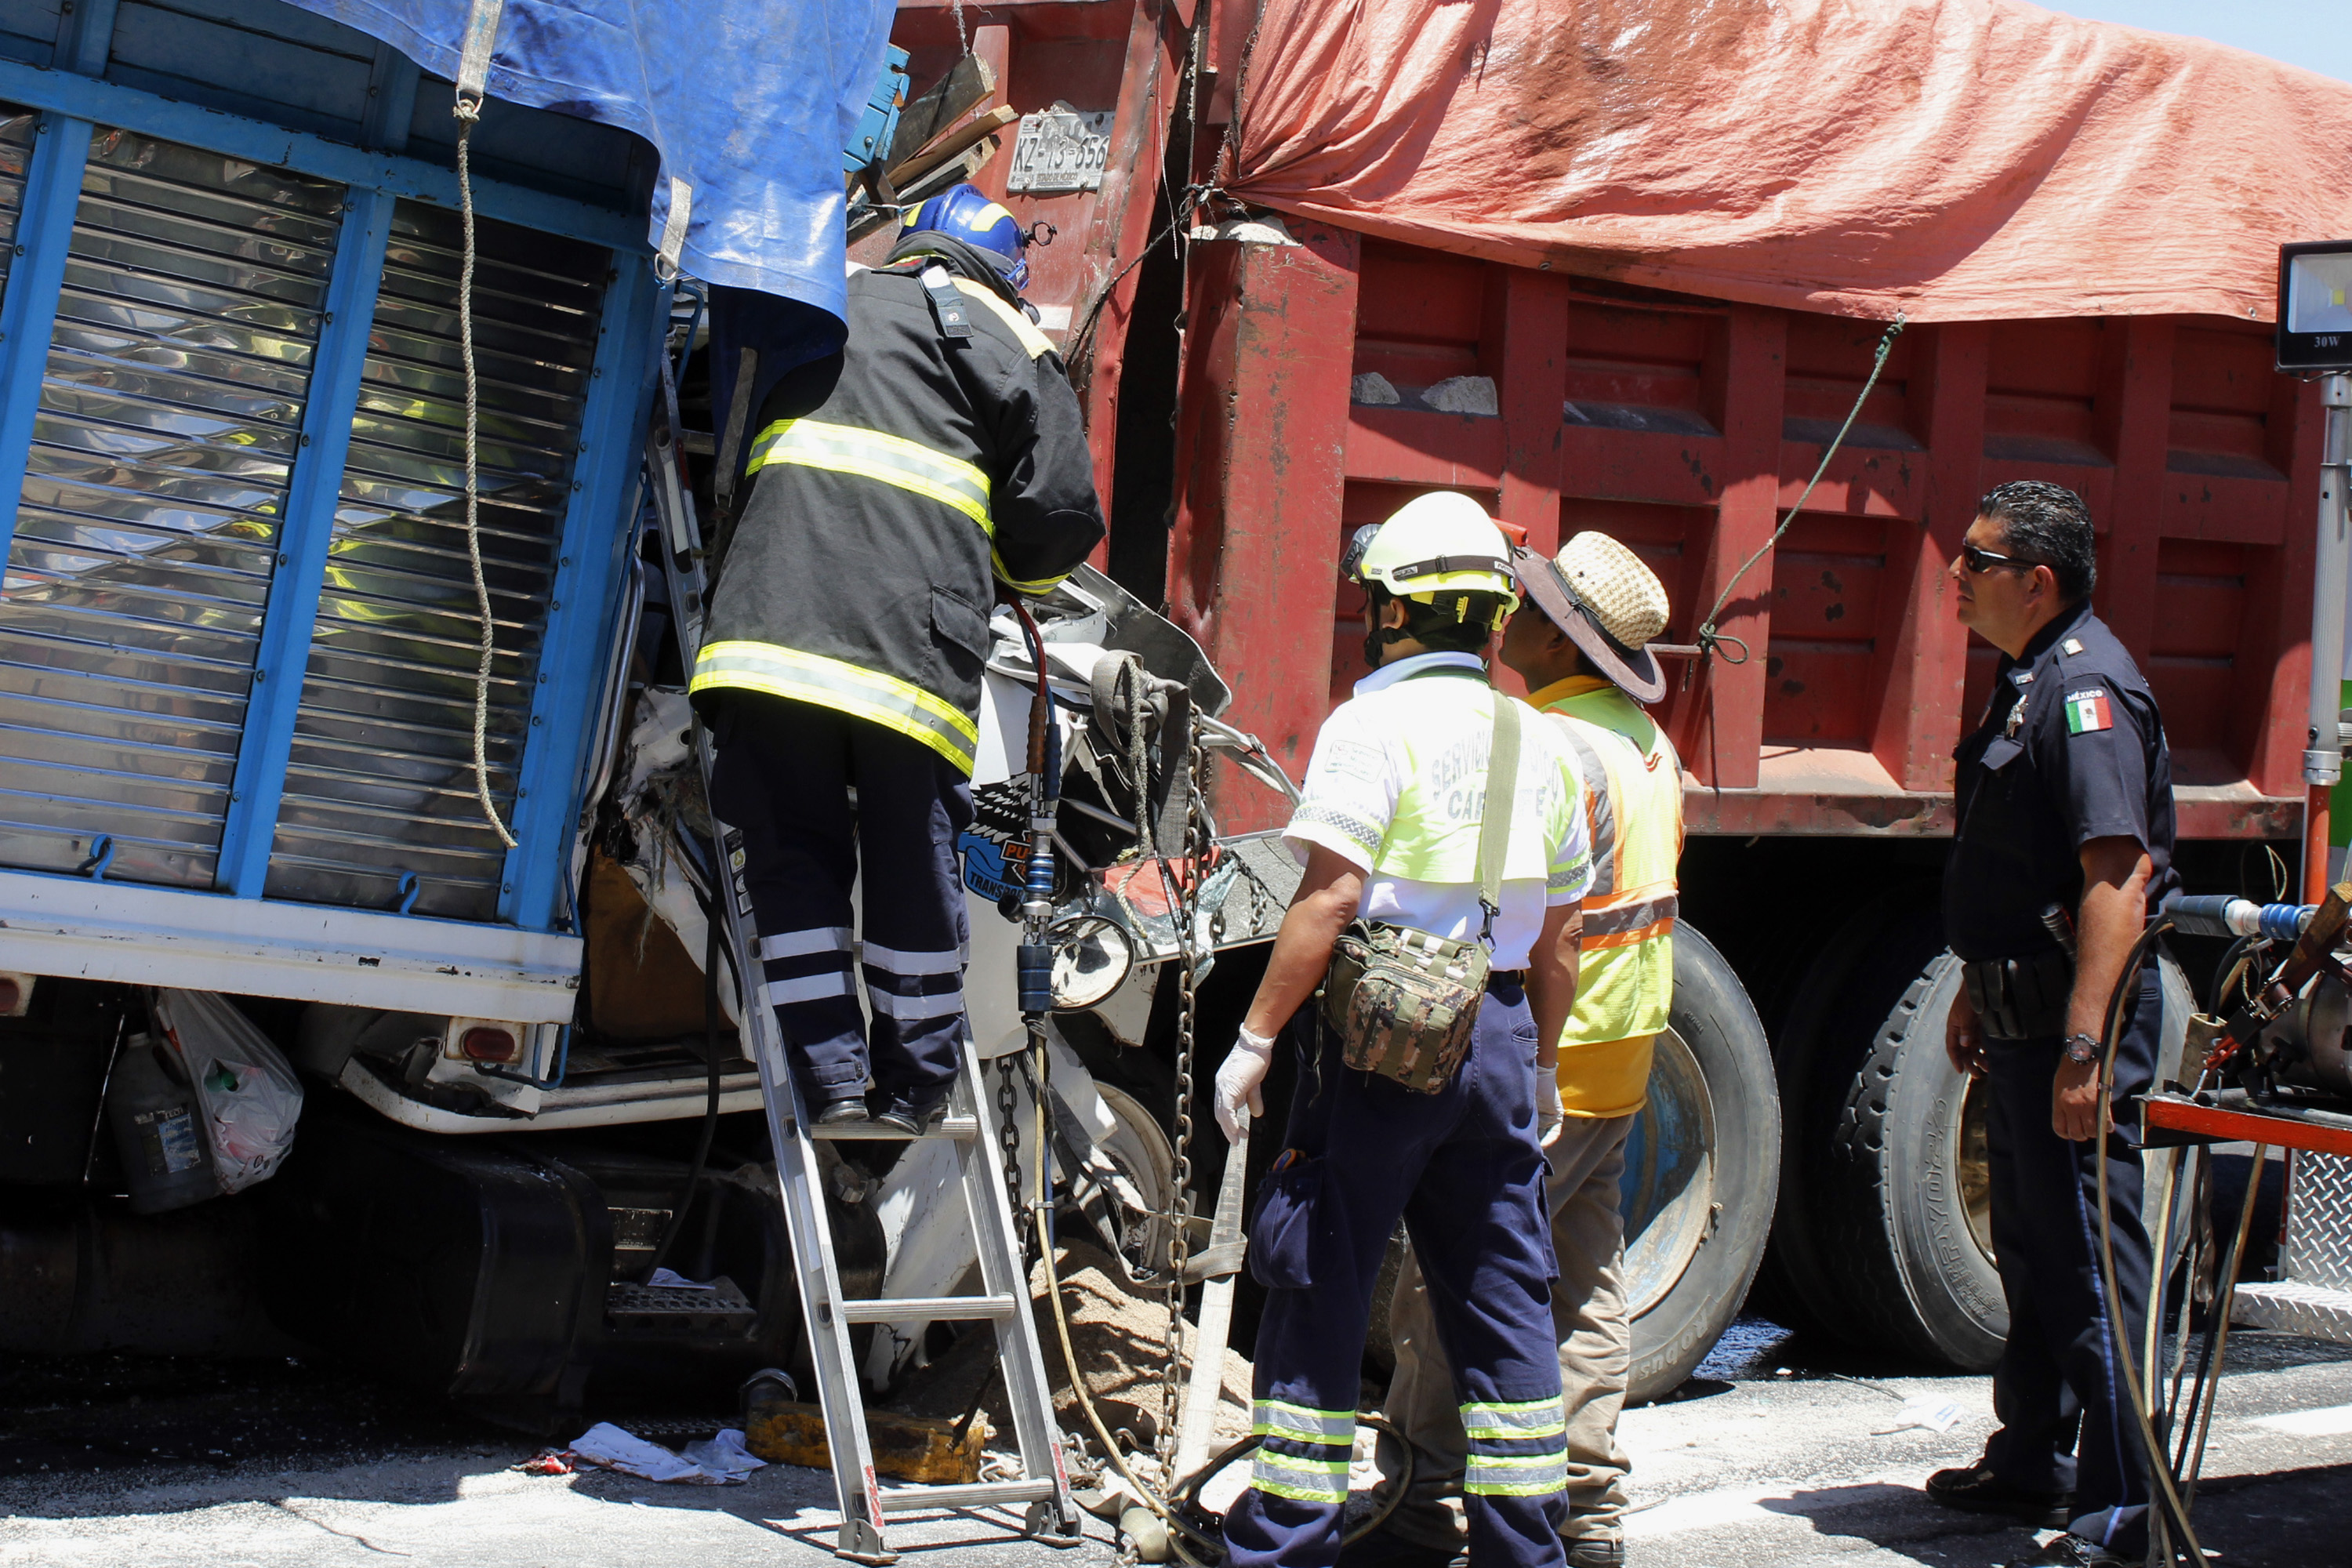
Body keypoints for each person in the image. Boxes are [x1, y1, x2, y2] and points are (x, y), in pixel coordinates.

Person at [1212, 491, 1594, 1568]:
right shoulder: (1544, 740)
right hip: (1502, 1032)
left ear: (1390, 614)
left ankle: (1286, 1537)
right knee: (1503, 1295)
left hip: (1381, 1043)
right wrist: (1543, 1066)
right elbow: (1560, 937)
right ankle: (1527, 1548)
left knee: (1320, 1275)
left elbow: (1329, 900)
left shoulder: (1369, 725)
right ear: (1496, 619)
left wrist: (1253, 1042)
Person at [691, 184, 1104, 1133]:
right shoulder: (1006, 339)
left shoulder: (819, 299)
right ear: (1001, 276)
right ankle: (916, 1086)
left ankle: (831, 1077)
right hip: (905, 658)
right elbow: (1062, 517)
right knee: (914, 865)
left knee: (791, 860)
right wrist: (1002, 574)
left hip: (762, 640)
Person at [1352, 532, 1682, 1568]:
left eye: (1527, 610)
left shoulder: (1550, 741)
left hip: (1561, 1046)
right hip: (1628, 1042)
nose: (1509, 623)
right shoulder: (1640, 738)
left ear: (1559, 634)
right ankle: (1588, 1510)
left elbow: (1545, 927)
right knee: (1583, 1277)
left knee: (1454, 1277)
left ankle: (1419, 1497)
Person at [1922, 481, 2178, 1568]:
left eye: (1974, 563)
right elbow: (2015, 864)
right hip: (2021, 1011)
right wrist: (1981, 986)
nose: (1954, 579)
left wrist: (2086, 1047)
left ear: (2039, 580)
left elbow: (2115, 878)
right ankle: (2031, 1453)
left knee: (2086, 1263)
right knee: (2031, 1250)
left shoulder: (2088, 694)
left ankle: (2125, 1506)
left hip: (2074, 1028)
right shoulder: (2027, 679)